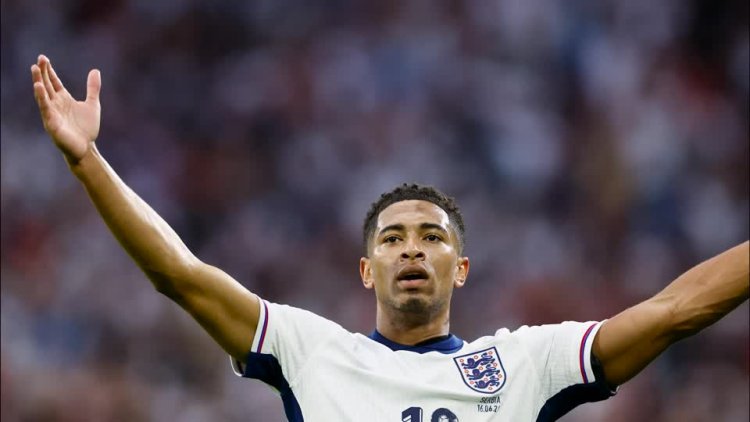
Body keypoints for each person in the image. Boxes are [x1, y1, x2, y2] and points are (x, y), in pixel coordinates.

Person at [30, 54, 749, 421]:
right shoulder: (312, 352)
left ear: (461, 268)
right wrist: (88, 162)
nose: (411, 247)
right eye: (394, 237)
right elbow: (180, 275)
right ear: (367, 270)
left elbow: (673, 310)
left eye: (432, 237)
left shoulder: (525, 364)